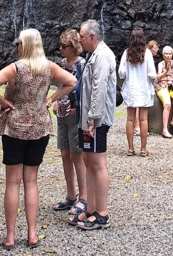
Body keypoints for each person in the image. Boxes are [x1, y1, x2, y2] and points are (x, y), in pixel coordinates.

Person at [0, 28, 76, 250]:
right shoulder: (49, 67)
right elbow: (71, 81)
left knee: (13, 182)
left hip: (15, 128)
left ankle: (10, 236)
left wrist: (4, 103)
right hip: (39, 127)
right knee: (31, 181)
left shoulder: (15, 68)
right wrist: (51, 98)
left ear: (25, 45)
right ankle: (32, 234)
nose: (17, 46)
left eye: (19, 43)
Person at [75, 19, 117, 231]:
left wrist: (92, 120)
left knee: (98, 162)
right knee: (88, 160)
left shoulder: (102, 57)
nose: (79, 41)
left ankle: (102, 214)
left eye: (81, 37)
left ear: (92, 37)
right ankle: (91, 208)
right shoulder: (94, 55)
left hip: (96, 121)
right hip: (89, 120)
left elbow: (99, 90)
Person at [52, 29, 87, 222]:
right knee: (65, 153)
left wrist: (77, 107)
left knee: (77, 154)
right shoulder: (62, 64)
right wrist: (56, 101)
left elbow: (83, 88)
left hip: (75, 114)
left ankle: (84, 197)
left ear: (74, 47)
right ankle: (70, 195)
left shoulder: (82, 64)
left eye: (64, 46)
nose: (60, 49)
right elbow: (60, 86)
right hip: (62, 112)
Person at [118, 28, 156, 157]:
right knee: (143, 119)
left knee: (130, 119)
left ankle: (130, 149)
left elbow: (121, 74)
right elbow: (152, 73)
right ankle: (143, 149)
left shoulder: (126, 53)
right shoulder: (148, 53)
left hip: (131, 89)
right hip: (144, 89)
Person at [134, 40, 159, 138]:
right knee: (138, 107)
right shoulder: (147, 56)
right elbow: (152, 75)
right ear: (150, 48)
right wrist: (151, 86)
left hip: (139, 85)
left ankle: (138, 128)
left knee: (137, 106)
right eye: (155, 48)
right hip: (143, 86)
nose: (157, 50)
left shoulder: (143, 56)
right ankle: (137, 128)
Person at [156, 45, 173, 137]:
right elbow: (158, 77)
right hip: (162, 86)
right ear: (163, 55)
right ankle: (164, 130)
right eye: (166, 54)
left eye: (169, 54)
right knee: (167, 104)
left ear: (172, 55)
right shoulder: (161, 64)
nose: (167, 55)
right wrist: (166, 71)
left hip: (171, 86)